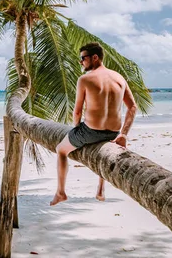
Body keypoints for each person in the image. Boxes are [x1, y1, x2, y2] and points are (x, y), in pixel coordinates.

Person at [50, 42, 137, 206]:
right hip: (113, 132)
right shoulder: (119, 78)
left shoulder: (85, 79)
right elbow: (132, 106)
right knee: (102, 149)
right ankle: (100, 189)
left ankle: (60, 192)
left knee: (61, 150)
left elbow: (77, 112)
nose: (81, 62)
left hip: (90, 132)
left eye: (83, 58)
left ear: (95, 57)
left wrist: (75, 127)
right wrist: (123, 134)